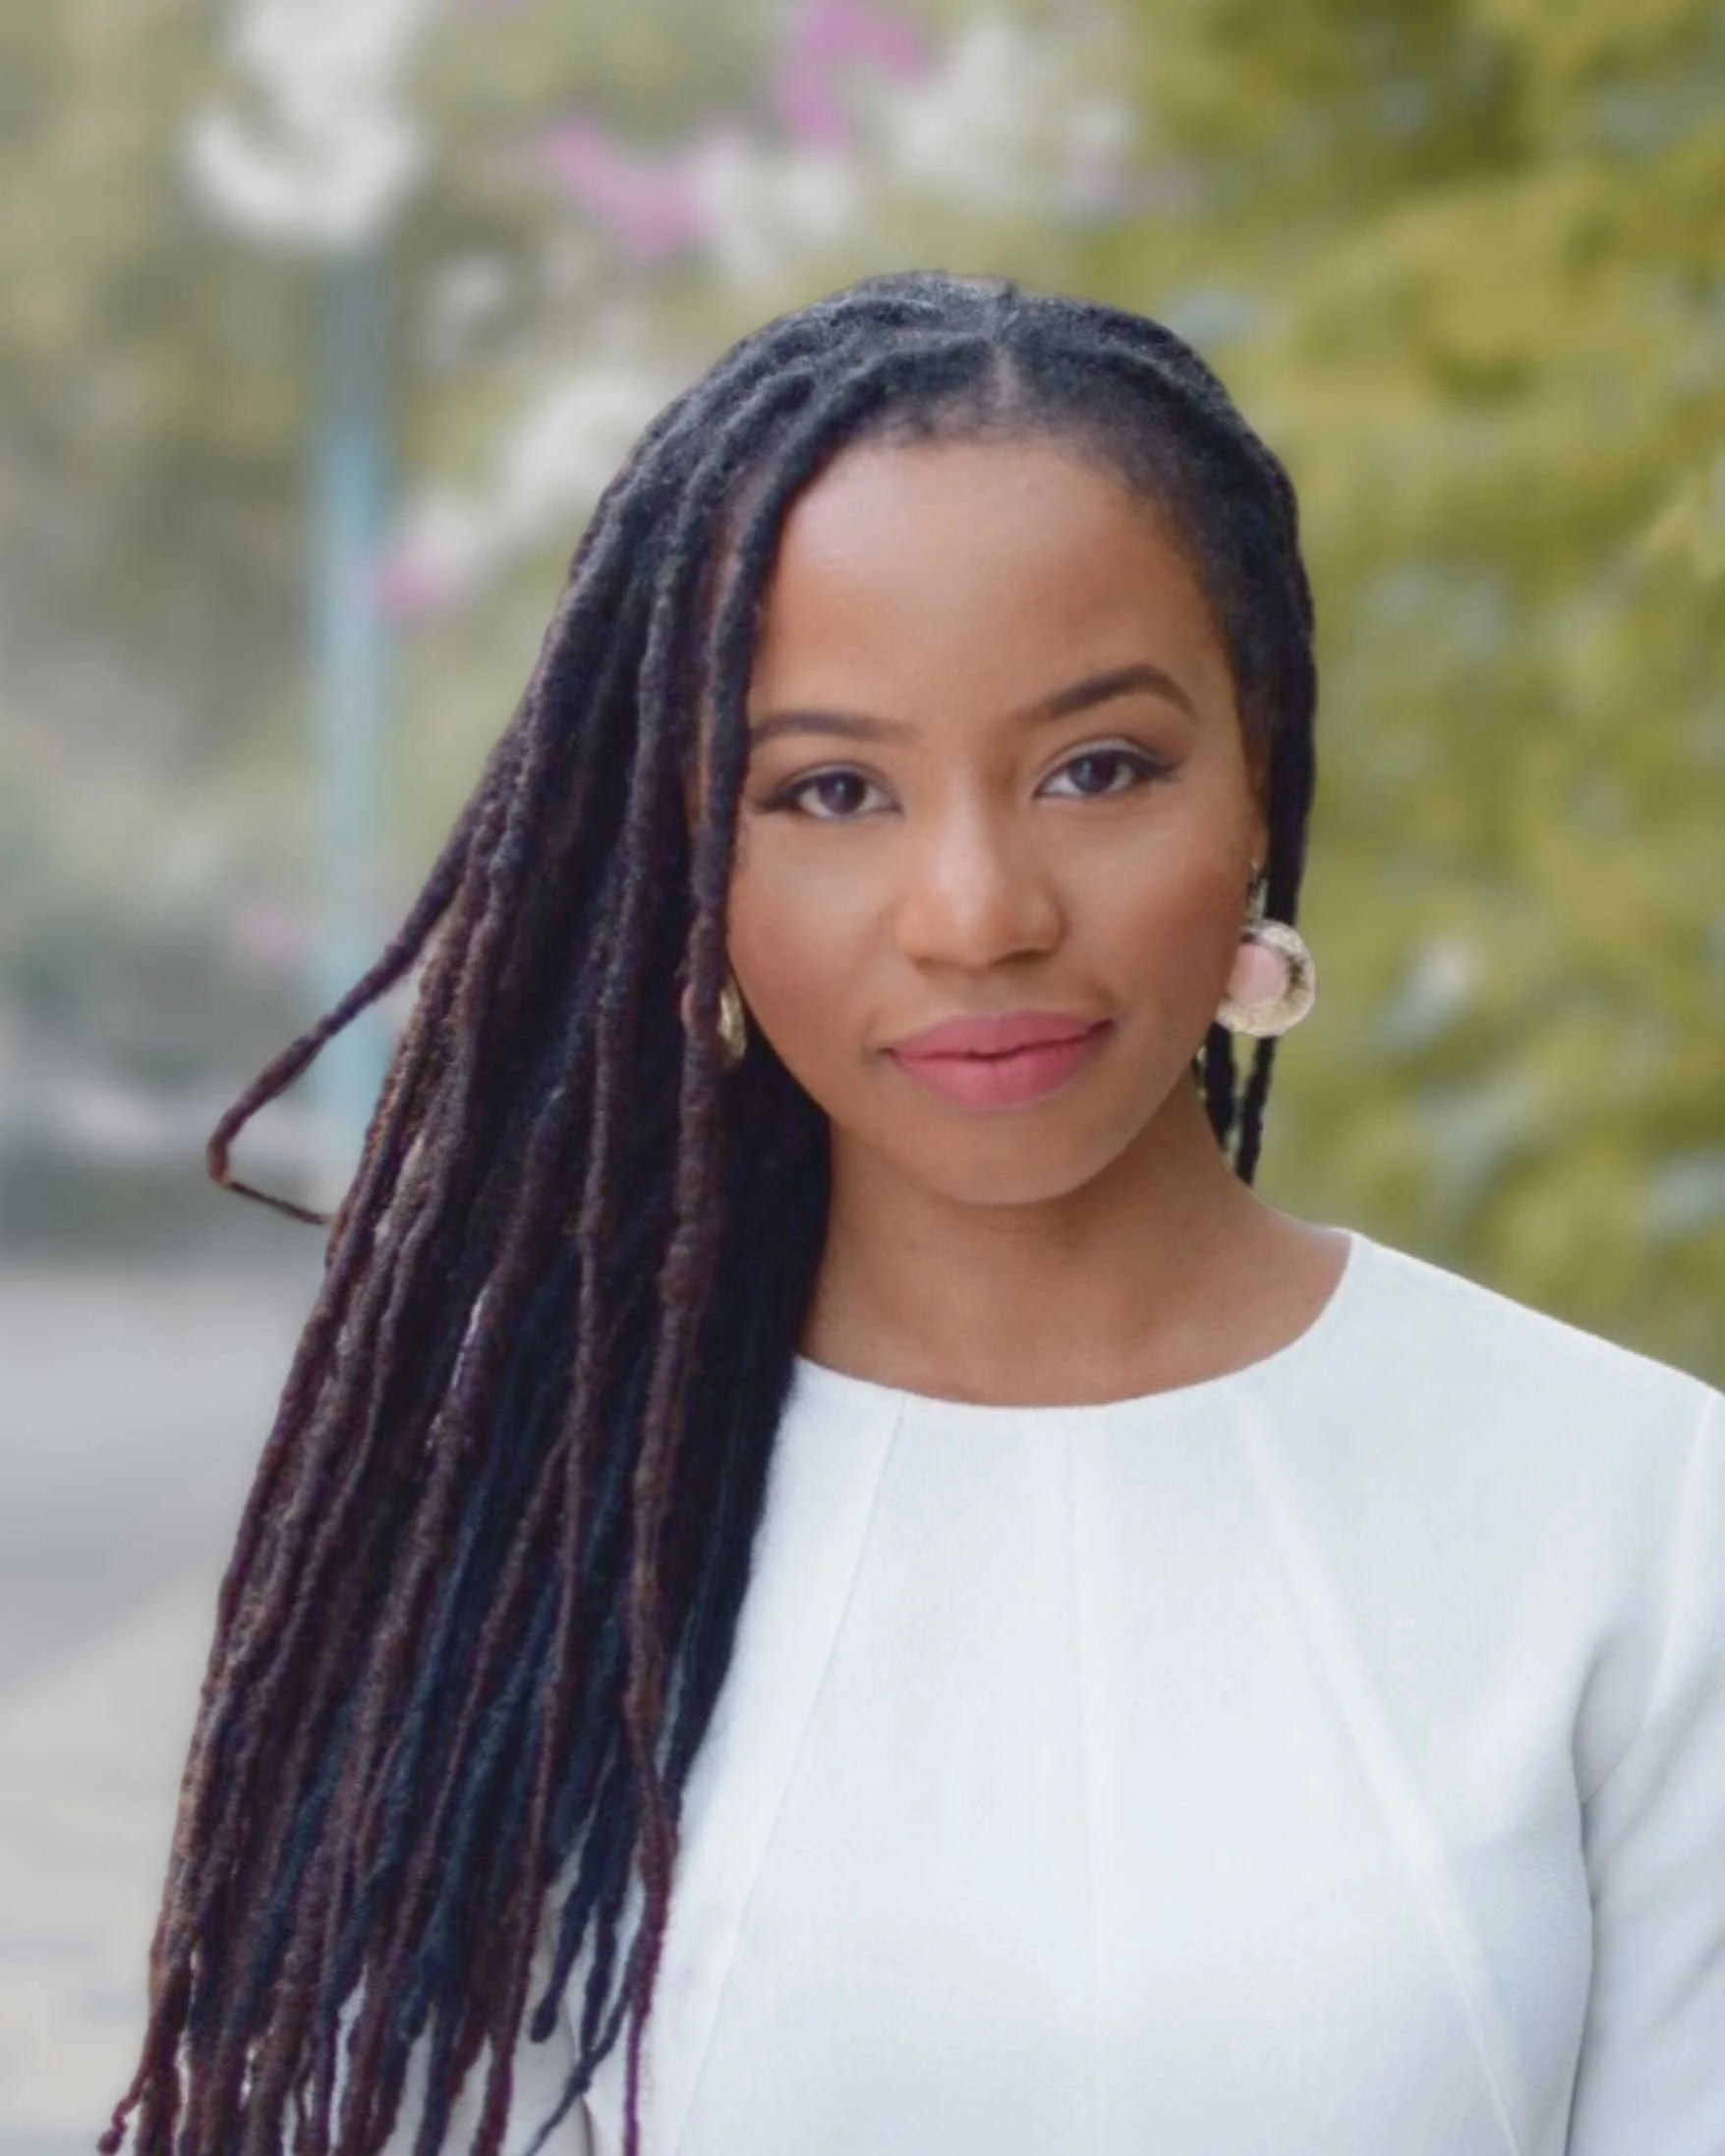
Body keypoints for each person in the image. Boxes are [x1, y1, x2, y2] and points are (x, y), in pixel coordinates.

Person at [104, 271, 1724, 2156]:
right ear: (688, 858)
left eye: (1096, 767)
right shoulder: (515, 1522)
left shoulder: (1637, 1512)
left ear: (1261, 768)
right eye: (830, 789)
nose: (974, 910)